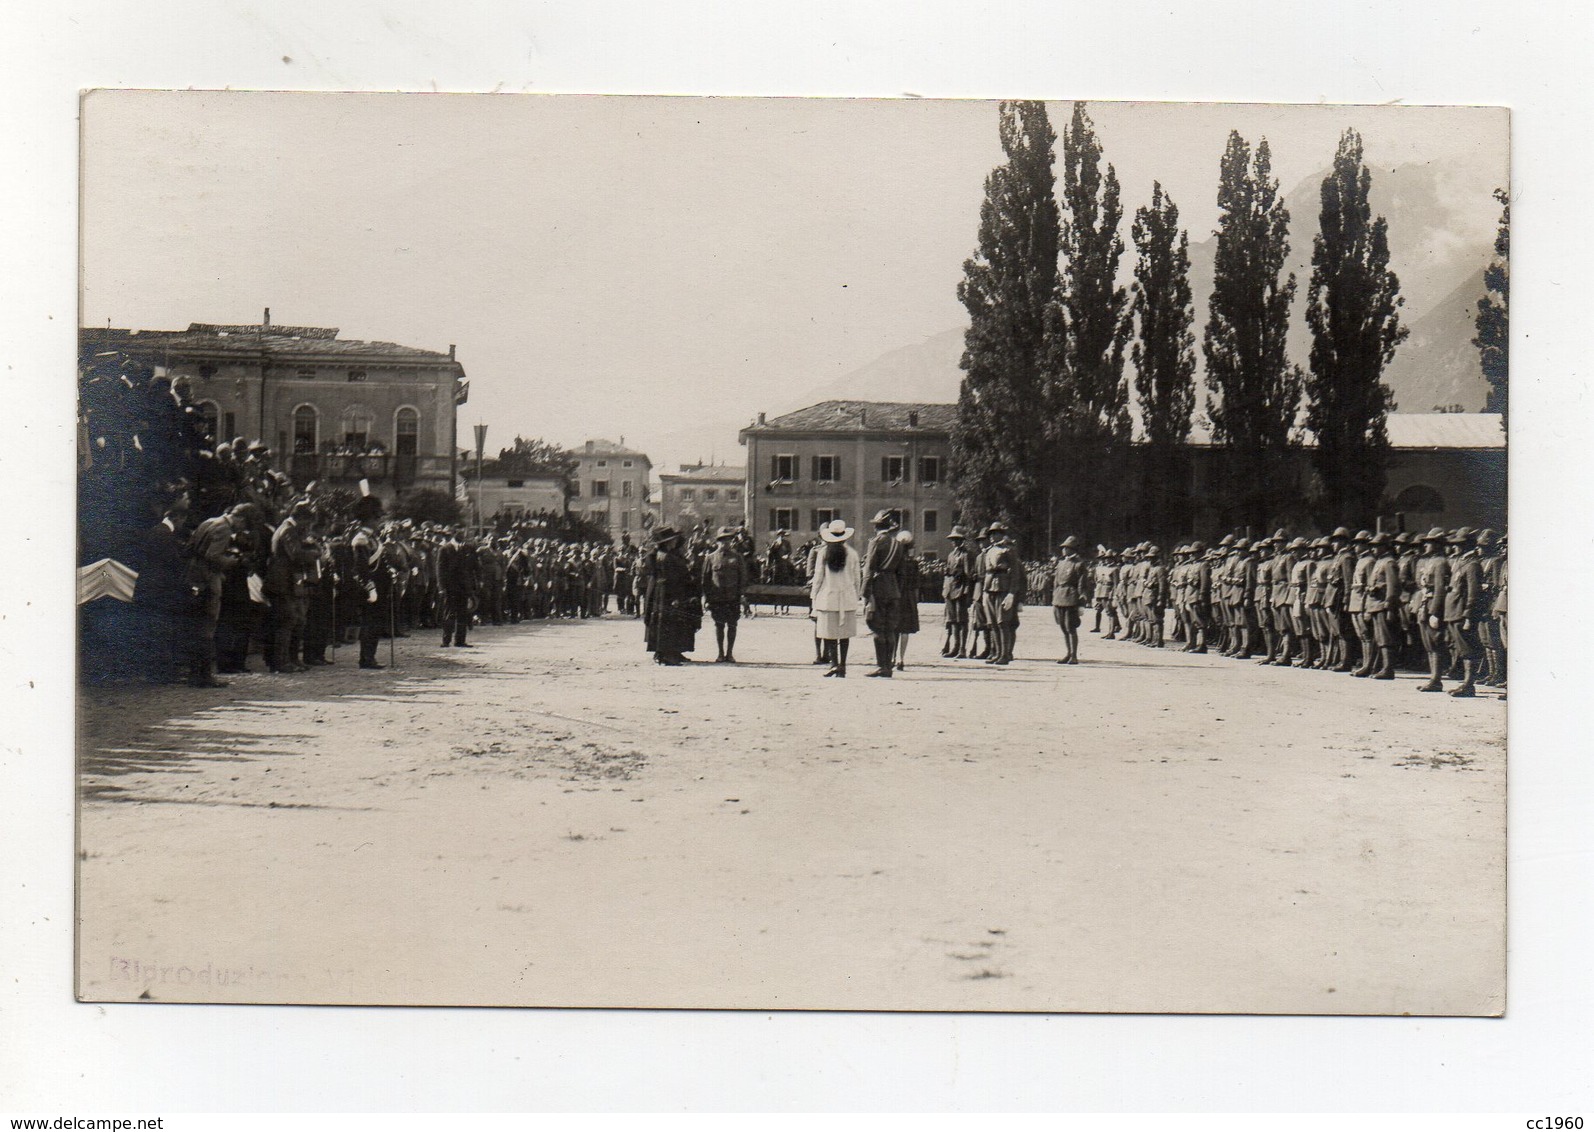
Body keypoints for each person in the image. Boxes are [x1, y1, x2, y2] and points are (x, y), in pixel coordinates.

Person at [809, 518, 863, 677]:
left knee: (830, 633)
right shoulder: (852, 554)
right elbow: (857, 578)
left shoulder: (824, 553)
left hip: (828, 598)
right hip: (847, 599)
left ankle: (834, 664)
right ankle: (843, 666)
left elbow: (818, 577)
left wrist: (814, 596)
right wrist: (856, 595)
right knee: (844, 634)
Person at [643, 527, 700, 666]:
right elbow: (673, 577)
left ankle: (671, 652)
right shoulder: (667, 557)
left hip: (664, 591)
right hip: (668, 592)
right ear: (667, 542)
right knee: (667, 622)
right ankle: (665, 654)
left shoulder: (666, 554)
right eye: (673, 540)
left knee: (671, 622)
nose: (675, 542)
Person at [861, 509, 906, 677]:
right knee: (890, 628)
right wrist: (897, 590)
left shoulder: (876, 542)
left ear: (877, 526)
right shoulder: (898, 544)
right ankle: (889, 666)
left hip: (878, 588)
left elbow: (869, 569)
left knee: (877, 627)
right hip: (893, 589)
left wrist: (865, 592)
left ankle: (882, 666)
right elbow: (902, 573)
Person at [349, 494, 391, 670]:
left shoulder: (373, 538)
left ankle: (370, 656)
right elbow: (361, 568)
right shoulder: (361, 539)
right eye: (377, 518)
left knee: (376, 622)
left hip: (378, 585)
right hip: (368, 587)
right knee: (369, 622)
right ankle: (366, 658)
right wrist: (370, 587)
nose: (379, 521)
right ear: (370, 519)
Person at [702, 526, 749, 663]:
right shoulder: (710, 558)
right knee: (719, 625)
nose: (725, 543)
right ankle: (720, 653)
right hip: (717, 598)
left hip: (733, 597)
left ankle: (730, 653)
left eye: (728, 540)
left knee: (733, 625)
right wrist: (706, 598)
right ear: (717, 542)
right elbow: (705, 580)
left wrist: (741, 595)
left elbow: (743, 578)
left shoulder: (738, 558)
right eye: (722, 540)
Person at [982, 521, 1020, 665]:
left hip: (1003, 588)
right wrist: (985, 590)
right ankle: (997, 653)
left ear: (1001, 535)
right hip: (990, 587)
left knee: (1002, 622)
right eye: (991, 534)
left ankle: (1005, 654)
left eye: (995, 533)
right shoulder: (989, 550)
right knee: (992, 623)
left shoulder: (1008, 550)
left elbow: (1015, 573)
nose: (992, 536)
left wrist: (1011, 593)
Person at [1050, 535, 1088, 665]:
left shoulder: (1079, 564)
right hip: (1059, 597)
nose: (1064, 550)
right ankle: (1068, 653)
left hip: (1071, 597)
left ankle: (1074, 655)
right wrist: (1054, 597)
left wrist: (1081, 603)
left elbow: (1082, 585)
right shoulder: (1061, 563)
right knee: (1063, 627)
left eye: (1066, 548)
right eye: (1063, 548)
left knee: (1070, 627)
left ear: (1073, 549)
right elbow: (1056, 581)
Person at [941, 526, 975, 658]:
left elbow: (969, 575)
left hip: (961, 590)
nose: (954, 542)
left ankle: (962, 649)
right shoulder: (951, 555)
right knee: (952, 620)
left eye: (957, 539)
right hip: (950, 590)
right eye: (953, 539)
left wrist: (967, 592)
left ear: (962, 540)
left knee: (962, 620)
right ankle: (954, 647)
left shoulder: (966, 555)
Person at [893, 529, 921, 671]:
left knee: (894, 629)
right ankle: (900, 658)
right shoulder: (913, 564)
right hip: (908, 598)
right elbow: (916, 585)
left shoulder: (895, 563)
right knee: (905, 630)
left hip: (896, 597)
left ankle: (892, 657)